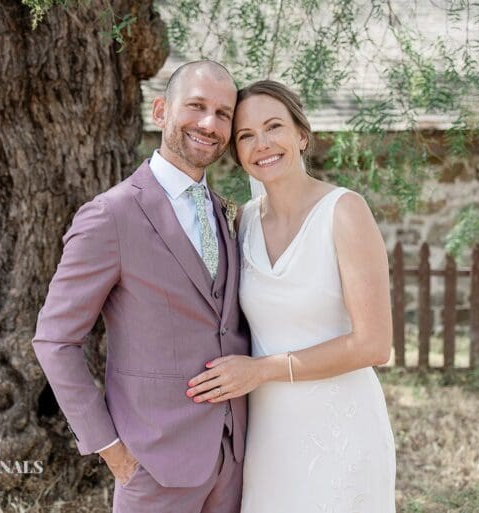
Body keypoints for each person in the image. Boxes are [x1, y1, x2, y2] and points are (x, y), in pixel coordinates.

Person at [32, 60, 250, 513]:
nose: (209, 124)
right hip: (152, 464)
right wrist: (110, 447)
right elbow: (55, 340)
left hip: (233, 461)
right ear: (160, 111)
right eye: (196, 106)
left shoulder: (227, 213)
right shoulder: (110, 216)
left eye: (223, 113)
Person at [186, 80, 396, 512]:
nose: (262, 143)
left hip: (342, 428)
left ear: (301, 134)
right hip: (267, 432)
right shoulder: (240, 223)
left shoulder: (344, 211)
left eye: (274, 126)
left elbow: (374, 345)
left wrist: (261, 371)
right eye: (245, 136)